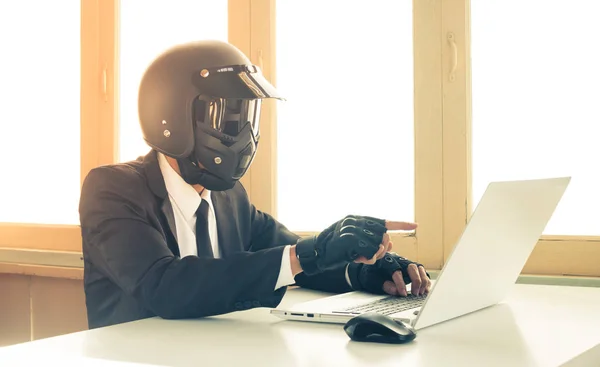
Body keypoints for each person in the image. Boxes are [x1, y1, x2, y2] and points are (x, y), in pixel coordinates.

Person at [79, 40, 431, 329]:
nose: (243, 134)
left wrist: (369, 269)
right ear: (171, 115)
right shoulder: (112, 190)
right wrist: (308, 254)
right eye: (227, 117)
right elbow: (165, 286)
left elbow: (294, 260)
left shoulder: (228, 196)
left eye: (247, 116)